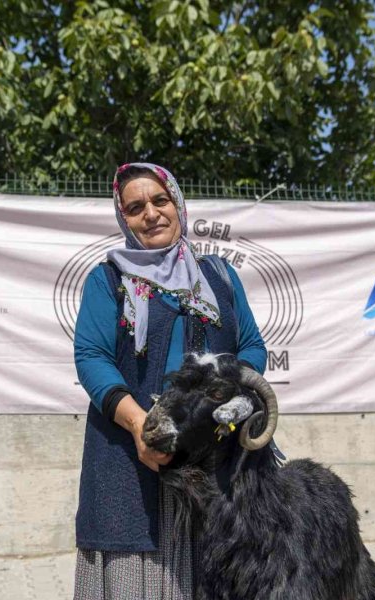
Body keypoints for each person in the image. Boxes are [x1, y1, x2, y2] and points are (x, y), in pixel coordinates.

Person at [72, 162, 267, 599]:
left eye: (160, 200)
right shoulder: (109, 280)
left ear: (178, 204)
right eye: (135, 207)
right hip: (132, 456)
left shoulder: (218, 277)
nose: (151, 214)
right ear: (124, 218)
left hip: (216, 458)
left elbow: (252, 346)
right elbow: (91, 356)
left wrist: (230, 396)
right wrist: (141, 426)